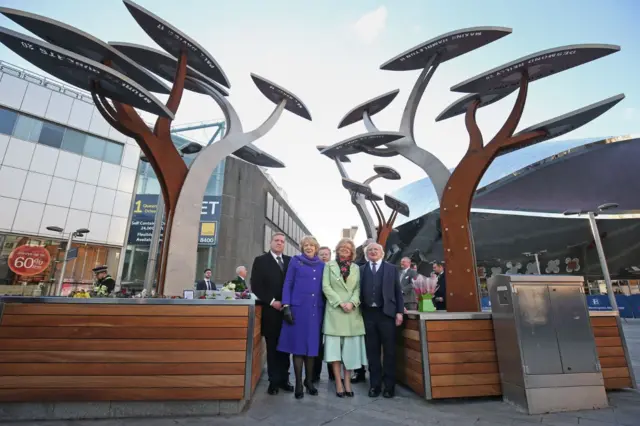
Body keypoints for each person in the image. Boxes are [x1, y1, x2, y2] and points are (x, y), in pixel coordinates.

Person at [277, 236, 325, 399]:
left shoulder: (322, 265)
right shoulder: (295, 261)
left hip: (315, 311)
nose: (309, 247)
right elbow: (288, 283)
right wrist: (286, 306)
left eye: (311, 245)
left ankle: (308, 381)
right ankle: (298, 383)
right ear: (302, 247)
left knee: (311, 349)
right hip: (297, 310)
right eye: (306, 245)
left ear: (316, 248)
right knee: (298, 349)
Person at [323, 238, 367, 398]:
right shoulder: (329, 266)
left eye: (348, 248)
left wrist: (353, 303)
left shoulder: (356, 268)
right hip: (335, 312)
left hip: (352, 313)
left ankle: (348, 382)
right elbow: (325, 287)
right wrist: (340, 302)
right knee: (334, 352)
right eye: (342, 247)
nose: (344, 249)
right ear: (337, 249)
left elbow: (358, 288)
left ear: (352, 251)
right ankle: (338, 383)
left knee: (350, 352)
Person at [250, 232, 292, 395]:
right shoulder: (260, 261)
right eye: (276, 240)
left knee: (286, 348)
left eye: (282, 241)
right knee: (273, 348)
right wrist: (272, 301)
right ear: (270, 242)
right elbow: (256, 286)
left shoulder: (290, 261)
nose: (279, 243)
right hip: (270, 311)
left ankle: (284, 379)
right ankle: (273, 381)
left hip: (287, 312)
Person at [360, 242, 403, 398]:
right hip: (368, 315)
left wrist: (399, 312)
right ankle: (375, 385)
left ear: (382, 253)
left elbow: (398, 292)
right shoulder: (361, 270)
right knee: (372, 352)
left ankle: (389, 386)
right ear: (366, 254)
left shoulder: (391, 268)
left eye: (376, 249)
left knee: (390, 351)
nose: (373, 252)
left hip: (386, 315)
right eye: (370, 250)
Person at [351, 238, 375, 383]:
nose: (370, 250)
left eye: (373, 247)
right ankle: (359, 371)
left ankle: (374, 371)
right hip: (359, 309)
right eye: (367, 247)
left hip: (376, 311)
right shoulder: (357, 266)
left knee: (373, 343)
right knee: (359, 342)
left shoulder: (383, 264)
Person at [313, 246, 333, 383]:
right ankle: (315, 373)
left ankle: (333, 373)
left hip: (333, 309)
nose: (324, 256)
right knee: (317, 342)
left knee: (332, 342)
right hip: (317, 309)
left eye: (326, 254)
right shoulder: (315, 269)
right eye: (321, 254)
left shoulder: (334, 269)